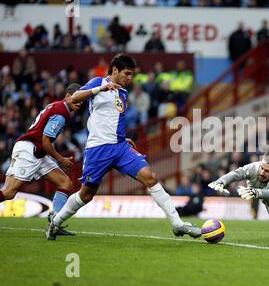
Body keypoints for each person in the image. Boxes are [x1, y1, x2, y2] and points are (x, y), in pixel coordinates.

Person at [46, 54, 201, 240]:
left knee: (150, 177)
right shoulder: (98, 82)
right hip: (98, 149)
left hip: (119, 147)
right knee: (86, 194)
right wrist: (100, 88)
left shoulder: (123, 93)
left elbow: (114, 120)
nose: (130, 78)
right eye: (127, 73)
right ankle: (55, 223)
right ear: (115, 70)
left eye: (132, 74)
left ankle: (177, 223)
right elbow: (74, 98)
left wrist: (123, 138)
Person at [0, 83, 83, 235]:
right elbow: (45, 141)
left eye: (82, 100)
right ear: (67, 96)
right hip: (30, 150)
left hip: (38, 152)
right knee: (9, 192)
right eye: (76, 98)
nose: (79, 102)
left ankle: (55, 224)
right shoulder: (61, 113)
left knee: (65, 183)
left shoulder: (56, 107)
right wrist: (61, 159)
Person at [208, 150, 269, 227]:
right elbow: (237, 174)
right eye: (262, 168)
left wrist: (257, 192)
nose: (262, 172)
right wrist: (221, 181)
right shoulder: (254, 167)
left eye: (267, 171)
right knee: (268, 203)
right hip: (258, 189)